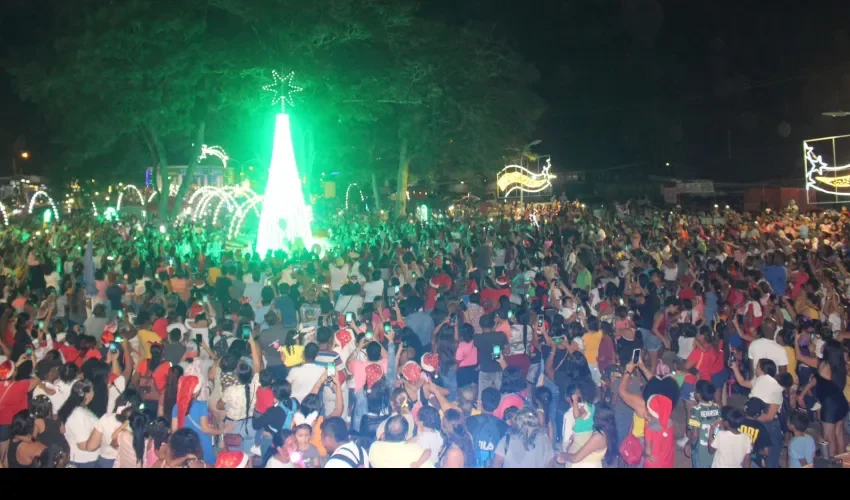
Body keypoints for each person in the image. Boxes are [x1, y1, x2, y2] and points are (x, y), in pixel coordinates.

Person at [685, 380, 720, 469]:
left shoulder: (696, 410)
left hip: (701, 452)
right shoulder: (718, 407)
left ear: (698, 395)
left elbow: (694, 435)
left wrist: (688, 443)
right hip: (714, 449)